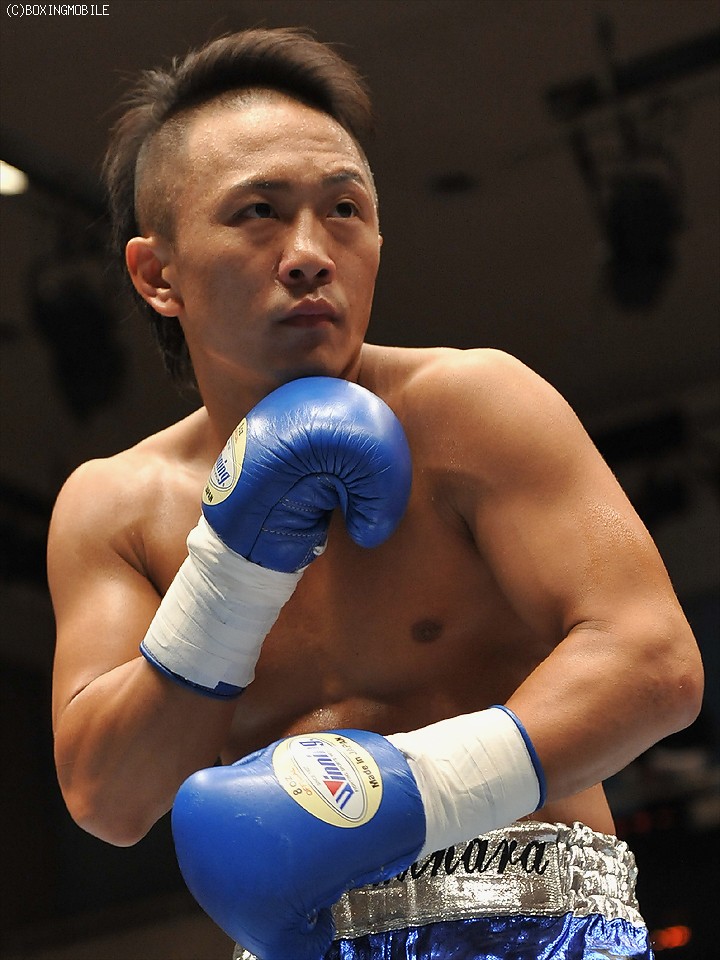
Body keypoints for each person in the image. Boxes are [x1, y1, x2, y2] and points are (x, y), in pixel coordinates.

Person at [48, 27, 703, 960]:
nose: (311, 252)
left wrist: (412, 792)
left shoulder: (473, 407)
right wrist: (230, 571)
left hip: (539, 923)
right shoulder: (116, 508)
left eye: (345, 209)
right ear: (159, 275)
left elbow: (655, 662)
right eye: (259, 212)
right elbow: (108, 799)